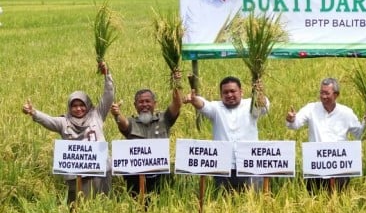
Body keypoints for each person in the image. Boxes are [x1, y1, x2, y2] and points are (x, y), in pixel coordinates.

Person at [21, 61, 114, 205]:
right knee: (79, 206)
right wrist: (33, 112)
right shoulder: (64, 122)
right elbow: (48, 120)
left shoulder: (97, 115)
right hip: (76, 173)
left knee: (103, 204)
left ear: (88, 105)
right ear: (69, 107)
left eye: (81, 105)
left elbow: (108, 96)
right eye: (74, 106)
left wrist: (107, 74)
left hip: (100, 170)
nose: (78, 109)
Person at [286, 77, 366, 192]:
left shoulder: (346, 113)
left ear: (336, 95)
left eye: (327, 93)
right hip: (316, 168)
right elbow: (295, 124)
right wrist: (291, 119)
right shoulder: (311, 109)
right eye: (321, 92)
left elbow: (360, 134)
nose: (323, 96)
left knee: (340, 201)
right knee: (314, 202)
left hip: (340, 170)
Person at [186, 76, 269, 191]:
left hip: (250, 166)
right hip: (224, 167)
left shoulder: (250, 105)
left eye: (233, 91)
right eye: (225, 92)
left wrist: (259, 93)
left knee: (254, 201)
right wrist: (194, 100)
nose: (229, 95)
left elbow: (262, 105)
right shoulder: (216, 108)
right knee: (223, 201)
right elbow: (204, 105)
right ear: (221, 95)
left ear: (241, 92)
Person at [110, 71, 182, 199]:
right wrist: (116, 113)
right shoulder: (131, 123)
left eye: (148, 101)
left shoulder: (164, 120)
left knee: (160, 209)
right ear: (135, 105)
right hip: (135, 179)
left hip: (160, 177)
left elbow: (177, 104)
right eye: (141, 102)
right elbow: (122, 123)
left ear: (155, 103)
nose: (144, 105)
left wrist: (176, 83)